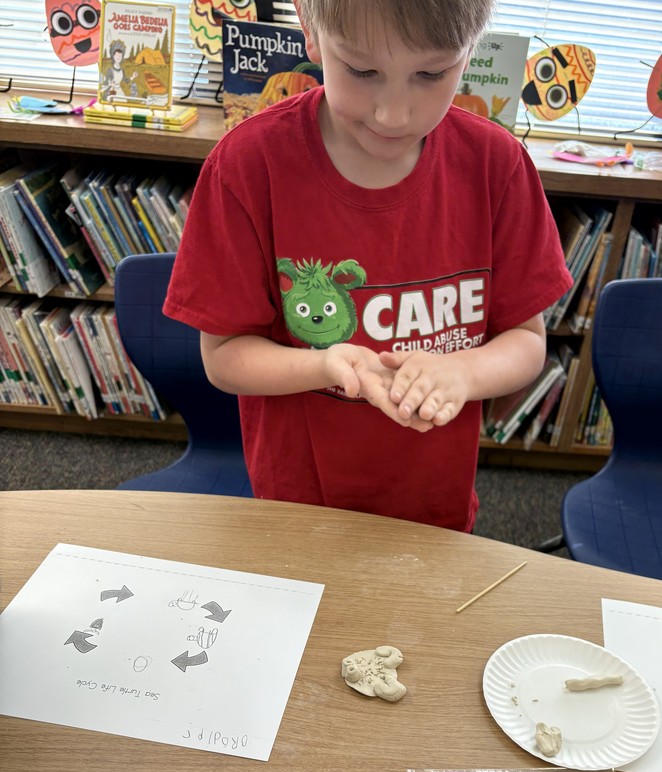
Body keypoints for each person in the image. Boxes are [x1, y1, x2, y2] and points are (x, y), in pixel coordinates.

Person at [163, 0, 572, 531]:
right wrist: (324, 364)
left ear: (469, 53)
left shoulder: (496, 166)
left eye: (431, 73)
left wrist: (462, 371)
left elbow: (527, 340)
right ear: (311, 33)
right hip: (299, 505)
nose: (393, 114)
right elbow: (223, 358)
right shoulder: (249, 166)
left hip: (433, 509)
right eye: (361, 71)